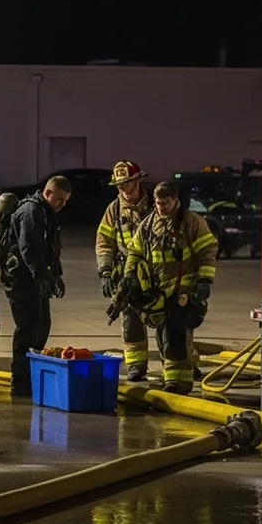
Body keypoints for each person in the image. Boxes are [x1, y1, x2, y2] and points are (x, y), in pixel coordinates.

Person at [121, 180, 217, 394]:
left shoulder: (192, 222)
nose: (161, 208)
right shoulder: (148, 224)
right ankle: (166, 375)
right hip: (158, 293)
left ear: (175, 201)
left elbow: (207, 253)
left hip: (183, 292)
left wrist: (204, 281)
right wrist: (129, 275)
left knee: (175, 334)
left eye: (165, 203)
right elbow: (135, 251)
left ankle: (178, 383)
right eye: (157, 203)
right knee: (159, 332)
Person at [5, 175, 71, 396]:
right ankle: (20, 381)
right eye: (59, 199)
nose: (62, 205)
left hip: (36, 279)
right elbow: (29, 249)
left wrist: (56, 275)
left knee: (42, 326)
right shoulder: (31, 212)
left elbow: (51, 248)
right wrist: (43, 277)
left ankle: (31, 377)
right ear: (48, 193)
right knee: (28, 330)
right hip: (22, 281)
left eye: (65, 201)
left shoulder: (48, 214)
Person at [95, 161, 151, 381]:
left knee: (168, 320)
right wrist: (105, 271)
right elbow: (104, 242)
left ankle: (176, 363)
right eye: (119, 186)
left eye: (127, 184)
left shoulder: (156, 204)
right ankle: (136, 365)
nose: (123, 190)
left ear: (138, 181)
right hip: (127, 276)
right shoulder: (114, 209)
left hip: (157, 273)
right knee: (130, 321)